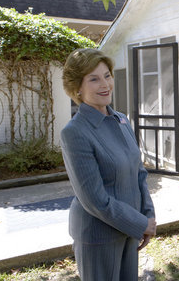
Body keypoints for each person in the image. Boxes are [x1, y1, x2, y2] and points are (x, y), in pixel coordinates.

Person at [60, 48, 156, 281]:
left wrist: (148, 215)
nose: (105, 84)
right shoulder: (75, 132)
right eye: (93, 79)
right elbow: (94, 200)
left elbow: (139, 174)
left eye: (107, 75)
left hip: (130, 231)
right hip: (98, 237)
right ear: (77, 89)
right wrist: (141, 223)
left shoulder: (121, 120)